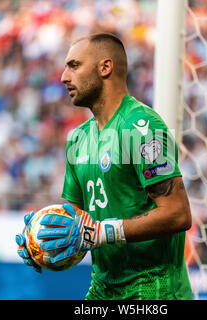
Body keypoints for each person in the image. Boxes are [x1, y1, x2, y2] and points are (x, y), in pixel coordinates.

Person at [16, 32, 193, 300]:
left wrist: (100, 232)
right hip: (103, 288)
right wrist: (41, 239)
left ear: (105, 67)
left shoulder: (142, 127)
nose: (64, 76)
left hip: (154, 288)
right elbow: (78, 227)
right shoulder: (78, 138)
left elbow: (178, 214)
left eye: (74, 65)